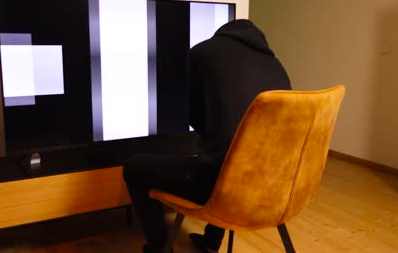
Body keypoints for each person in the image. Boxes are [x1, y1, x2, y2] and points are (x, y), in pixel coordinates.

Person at [123, 19, 291, 253]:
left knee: (134, 167)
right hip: (276, 189)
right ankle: (211, 242)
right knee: (230, 156)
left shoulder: (202, 52)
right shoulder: (276, 64)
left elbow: (196, 118)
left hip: (220, 189)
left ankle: (160, 247)